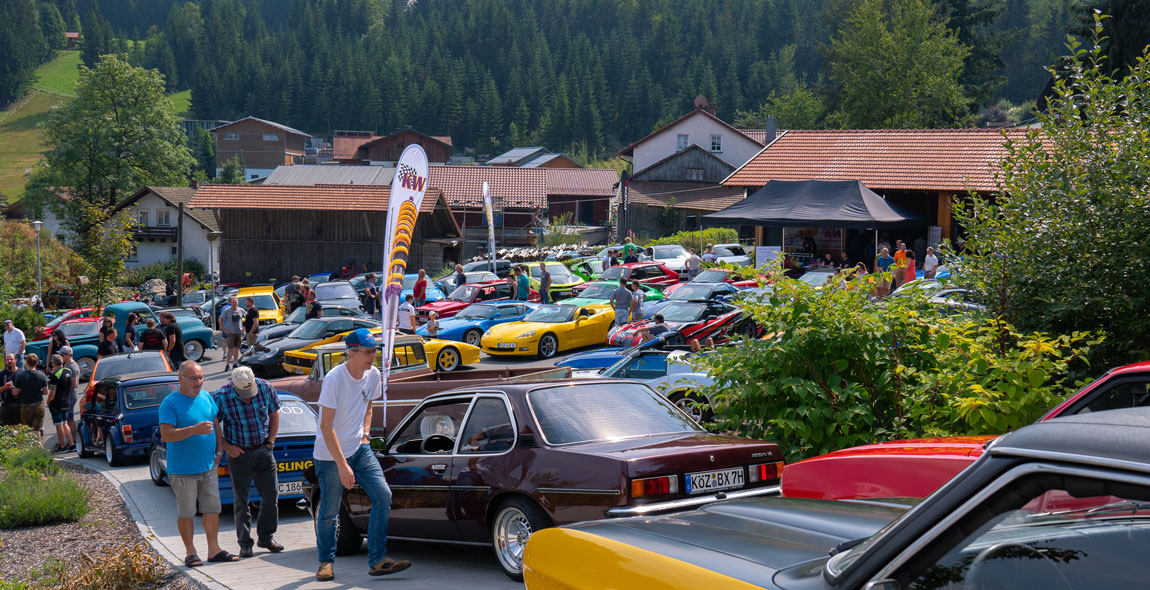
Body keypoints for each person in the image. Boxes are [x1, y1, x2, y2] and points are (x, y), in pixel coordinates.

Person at [313, 329, 410, 581]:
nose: (372, 356)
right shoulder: (335, 379)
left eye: (374, 351)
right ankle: (325, 562)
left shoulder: (373, 374)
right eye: (368, 352)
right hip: (330, 454)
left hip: (359, 447)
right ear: (352, 353)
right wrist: (343, 465)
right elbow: (326, 426)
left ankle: (378, 559)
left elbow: (369, 404)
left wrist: (365, 433)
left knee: (383, 495)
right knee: (330, 511)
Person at [159, 361, 238, 567]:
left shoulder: (206, 397)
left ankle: (214, 550)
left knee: (213, 509)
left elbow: (215, 425)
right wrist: (193, 430)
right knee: (187, 513)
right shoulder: (170, 403)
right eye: (193, 378)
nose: (199, 382)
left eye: (201, 377)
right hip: (183, 469)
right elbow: (166, 434)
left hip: (209, 465)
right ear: (180, 378)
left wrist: (219, 451)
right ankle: (191, 552)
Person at [214, 366, 284, 557]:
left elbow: (274, 414)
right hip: (239, 453)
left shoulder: (265, 387)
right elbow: (214, 426)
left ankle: (266, 537)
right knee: (241, 501)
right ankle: (245, 543)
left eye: (249, 392)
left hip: (263, 449)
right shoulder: (221, 395)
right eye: (243, 393)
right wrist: (228, 448)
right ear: (233, 385)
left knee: (271, 497)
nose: (248, 397)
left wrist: (271, 441)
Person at [14, 353, 47, 440]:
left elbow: (15, 393)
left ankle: (30, 447)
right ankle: (37, 445)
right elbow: (45, 391)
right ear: (36, 363)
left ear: (26, 363)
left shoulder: (20, 376)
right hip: (38, 405)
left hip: (26, 405)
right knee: (37, 429)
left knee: (27, 429)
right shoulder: (42, 375)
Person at [46, 354, 74, 453]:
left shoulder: (55, 375)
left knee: (59, 425)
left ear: (54, 363)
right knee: (65, 423)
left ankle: (62, 445)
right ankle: (71, 444)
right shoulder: (68, 371)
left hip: (57, 403)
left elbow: (52, 393)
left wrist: (48, 402)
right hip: (66, 401)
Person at [59, 346, 81, 448]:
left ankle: (72, 441)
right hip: (68, 396)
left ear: (68, 355)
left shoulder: (73, 367)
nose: (61, 356)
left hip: (70, 397)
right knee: (69, 419)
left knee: (67, 419)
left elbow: (74, 384)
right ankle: (72, 440)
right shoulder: (66, 365)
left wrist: (64, 392)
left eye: (62, 355)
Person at [220, 296, 245, 371]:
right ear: (231, 303)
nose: (235, 304)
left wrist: (244, 327)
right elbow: (220, 319)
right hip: (230, 333)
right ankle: (227, 364)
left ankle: (235, 363)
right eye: (233, 302)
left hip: (238, 333)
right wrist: (224, 329)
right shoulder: (227, 311)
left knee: (237, 349)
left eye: (236, 302)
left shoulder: (241, 310)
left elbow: (247, 318)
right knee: (230, 349)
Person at [0, 354, 20, 426]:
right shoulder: (2, 374)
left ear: (15, 360)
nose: (9, 361)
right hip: (6, 405)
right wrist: (5, 387)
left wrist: (17, 390)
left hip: (19, 405)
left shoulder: (21, 373)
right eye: (7, 360)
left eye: (11, 359)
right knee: (7, 430)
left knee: (20, 429)